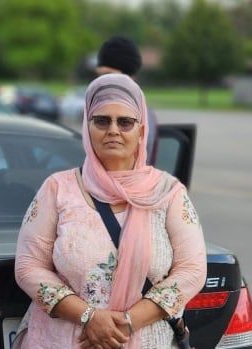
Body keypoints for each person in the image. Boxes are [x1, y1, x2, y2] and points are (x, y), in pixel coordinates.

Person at [14, 74, 206, 349]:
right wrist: (89, 318)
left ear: (141, 132)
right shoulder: (57, 189)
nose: (113, 130)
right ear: (87, 127)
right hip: (67, 340)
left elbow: (192, 270)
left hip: (145, 339)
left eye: (125, 122)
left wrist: (127, 322)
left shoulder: (168, 193)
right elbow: (29, 266)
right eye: (102, 121)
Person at [96, 35, 158, 164]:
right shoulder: (97, 109)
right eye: (99, 77)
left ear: (129, 77)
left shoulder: (141, 114)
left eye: (108, 75)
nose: (102, 82)